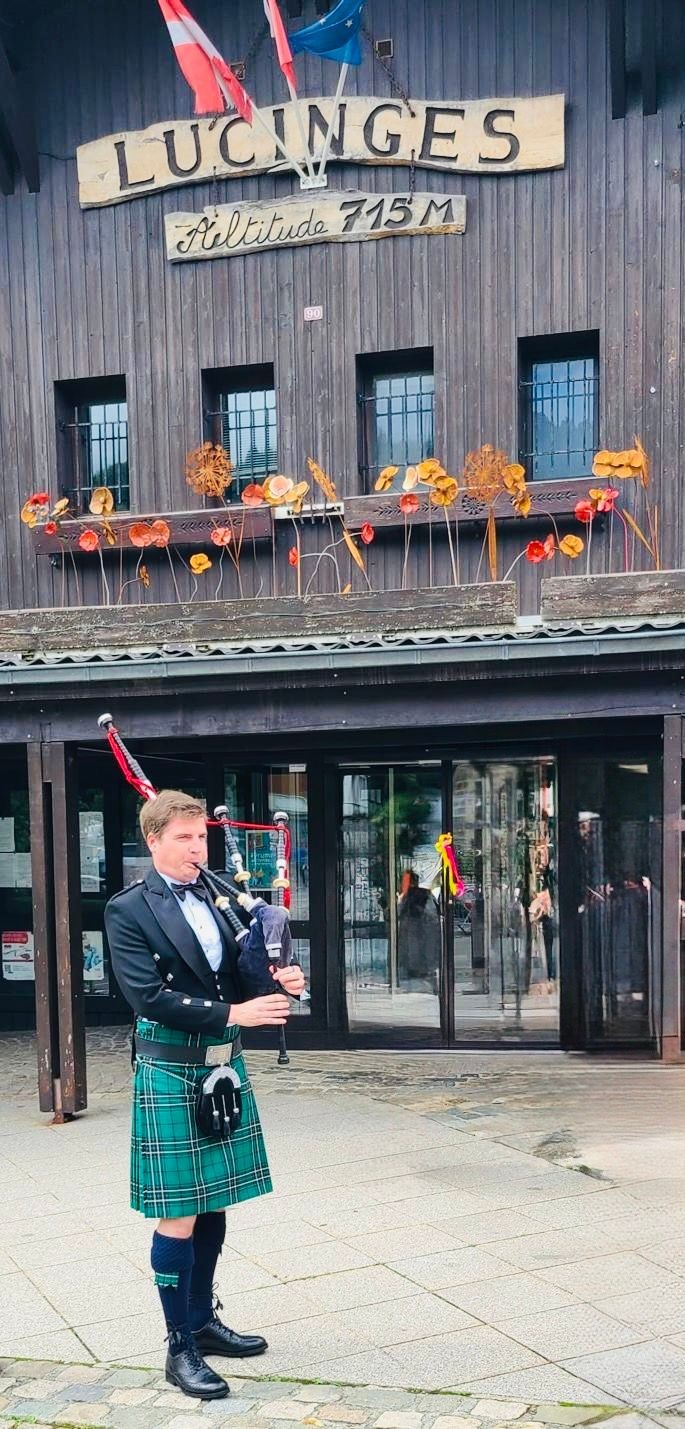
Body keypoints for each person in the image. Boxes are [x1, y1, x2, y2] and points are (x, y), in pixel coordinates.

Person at [104, 790, 305, 1402]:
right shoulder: (128, 909)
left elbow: (240, 972)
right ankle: (178, 1346)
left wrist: (283, 980)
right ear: (154, 841)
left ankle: (202, 1321)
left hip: (222, 1064)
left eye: (202, 839)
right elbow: (147, 998)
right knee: (181, 1209)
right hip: (171, 1066)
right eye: (185, 839)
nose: (197, 849)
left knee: (215, 1201)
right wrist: (236, 1012)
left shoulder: (218, 899)